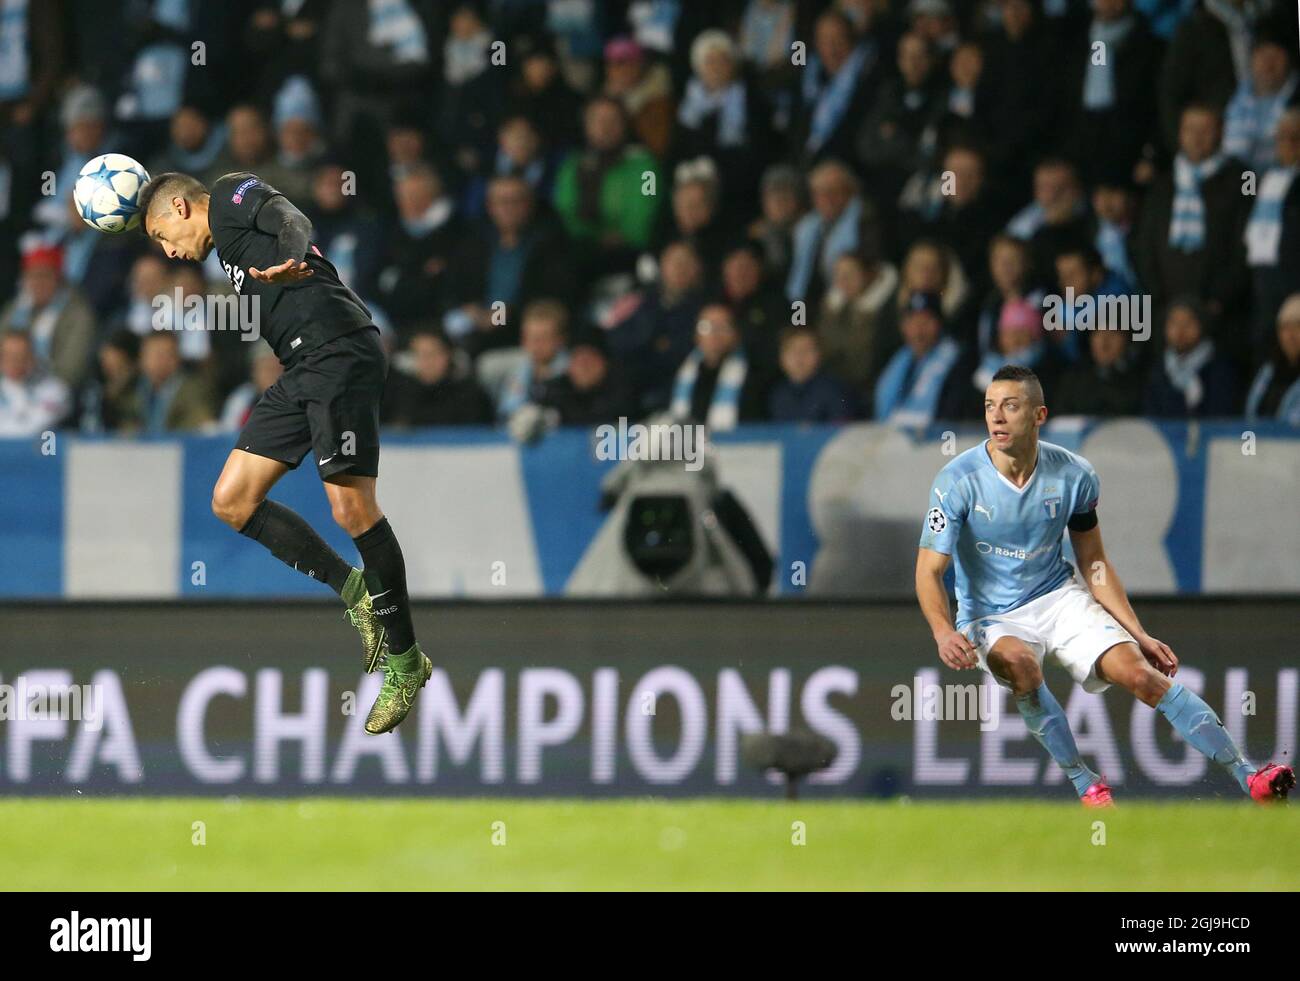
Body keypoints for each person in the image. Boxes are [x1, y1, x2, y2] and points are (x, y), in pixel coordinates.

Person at [915, 364, 1295, 806]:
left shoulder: (1074, 476)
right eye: (990, 407)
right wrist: (943, 631)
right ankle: (1086, 784)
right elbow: (928, 570)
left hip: (1058, 597)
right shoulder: (957, 482)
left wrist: (1138, 633)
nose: (997, 417)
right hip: (990, 615)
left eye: (1011, 406)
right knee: (1021, 665)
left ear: (1039, 416)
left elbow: (1093, 562)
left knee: (1140, 675)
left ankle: (1251, 778)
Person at [137, 169, 430, 735]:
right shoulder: (224, 250)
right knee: (232, 500)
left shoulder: (227, 194)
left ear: (180, 205)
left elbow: (291, 219)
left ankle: (404, 660)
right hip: (303, 368)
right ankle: (356, 593)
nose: (169, 250)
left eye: (162, 235)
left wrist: (294, 257)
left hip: (339, 349)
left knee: (352, 510)